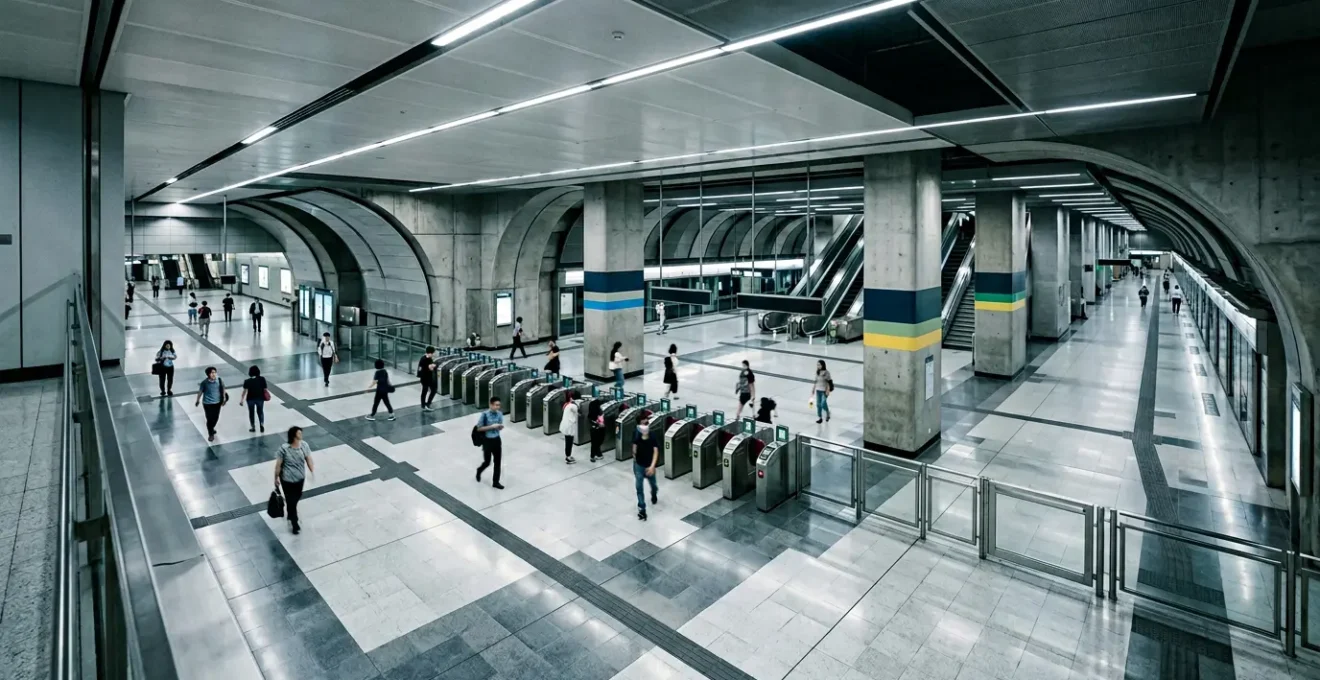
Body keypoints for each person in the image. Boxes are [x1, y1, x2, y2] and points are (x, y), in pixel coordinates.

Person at [273, 426, 314, 535]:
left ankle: (290, 512)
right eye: (299, 433)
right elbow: (278, 465)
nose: (301, 434)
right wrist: (276, 477)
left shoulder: (304, 445)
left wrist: (311, 469)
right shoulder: (284, 449)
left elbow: (308, 458)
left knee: (296, 497)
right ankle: (294, 522)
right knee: (290, 499)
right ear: (294, 435)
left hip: (300, 478)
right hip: (286, 479)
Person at [632, 411, 660, 521]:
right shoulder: (636, 433)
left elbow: (656, 451)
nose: (646, 426)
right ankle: (642, 508)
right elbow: (634, 448)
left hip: (649, 466)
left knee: (654, 485)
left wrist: (652, 466)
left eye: (647, 423)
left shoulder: (652, 435)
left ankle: (654, 494)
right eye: (644, 424)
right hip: (639, 466)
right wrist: (635, 460)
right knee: (639, 488)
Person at [475, 397, 505, 489]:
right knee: (487, 462)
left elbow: (500, 424)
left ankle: (496, 482)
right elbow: (479, 428)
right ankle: (479, 470)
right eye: (496, 405)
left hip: (496, 440)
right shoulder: (484, 415)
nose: (497, 407)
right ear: (491, 405)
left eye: (499, 405)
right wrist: (492, 427)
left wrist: (499, 427)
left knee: (497, 462)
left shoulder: (500, 414)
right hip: (487, 441)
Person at [194, 367, 227, 442]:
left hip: (217, 402)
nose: (213, 374)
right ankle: (210, 434)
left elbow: (223, 388)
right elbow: (200, 392)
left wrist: (224, 397)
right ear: (208, 374)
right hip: (207, 403)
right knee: (209, 419)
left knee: (216, 418)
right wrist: (197, 400)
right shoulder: (204, 382)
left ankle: (211, 428)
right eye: (212, 373)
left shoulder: (219, 380)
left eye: (214, 372)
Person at [239, 366, 268, 433]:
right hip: (260, 398)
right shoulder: (262, 379)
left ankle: (253, 427)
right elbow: (265, 389)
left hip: (250, 399)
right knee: (260, 411)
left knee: (251, 412)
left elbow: (244, 391)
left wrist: (241, 400)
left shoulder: (247, 381)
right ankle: (262, 424)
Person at [418, 346, 438, 410]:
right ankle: (427, 404)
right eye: (433, 353)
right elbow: (430, 368)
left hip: (424, 378)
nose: (433, 354)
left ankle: (423, 405)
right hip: (426, 378)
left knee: (425, 391)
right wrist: (434, 366)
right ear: (430, 353)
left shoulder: (423, 358)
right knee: (432, 390)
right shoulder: (426, 359)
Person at [560, 394, 579, 464]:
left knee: (567, 441)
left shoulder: (566, 405)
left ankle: (568, 455)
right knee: (569, 442)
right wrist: (575, 402)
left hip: (565, 425)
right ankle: (568, 457)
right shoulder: (573, 406)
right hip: (569, 426)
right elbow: (577, 409)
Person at [813, 360, 833, 424]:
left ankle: (827, 412)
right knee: (818, 405)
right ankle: (820, 417)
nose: (818, 366)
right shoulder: (817, 372)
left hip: (824, 391)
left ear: (823, 365)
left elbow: (829, 382)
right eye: (817, 365)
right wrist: (813, 389)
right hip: (818, 390)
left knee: (823, 403)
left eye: (819, 365)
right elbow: (816, 381)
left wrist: (828, 390)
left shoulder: (826, 373)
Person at [587, 399, 605, 463]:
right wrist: (598, 424)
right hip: (595, 429)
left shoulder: (599, 410)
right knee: (595, 443)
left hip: (600, 428)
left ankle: (598, 453)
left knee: (599, 441)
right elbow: (592, 421)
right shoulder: (592, 415)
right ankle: (592, 456)